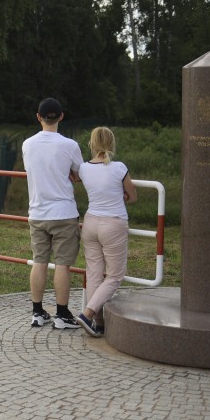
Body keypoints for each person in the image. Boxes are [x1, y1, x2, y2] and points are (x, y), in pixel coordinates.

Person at [21, 97, 85, 330]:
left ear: (38, 117)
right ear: (61, 117)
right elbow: (80, 174)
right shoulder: (70, 145)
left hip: (37, 212)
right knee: (62, 265)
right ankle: (62, 315)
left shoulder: (27, 144)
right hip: (63, 213)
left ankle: (37, 312)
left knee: (39, 262)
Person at [76, 126, 138, 337]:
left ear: (92, 144)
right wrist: (121, 196)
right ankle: (87, 314)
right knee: (114, 276)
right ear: (111, 143)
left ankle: (99, 323)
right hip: (113, 223)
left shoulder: (83, 168)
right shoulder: (119, 168)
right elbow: (133, 196)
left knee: (94, 274)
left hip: (90, 222)